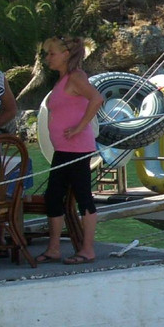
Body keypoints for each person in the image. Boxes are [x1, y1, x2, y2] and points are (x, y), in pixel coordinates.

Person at [36, 36, 104, 266]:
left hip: (77, 149)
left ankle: (87, 249)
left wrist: (80, 126)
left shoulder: (76, 77)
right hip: (63, 149)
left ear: (65, 54)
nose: (48, 58)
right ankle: (54, 248)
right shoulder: (63, 79)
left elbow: (97, 98)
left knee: (83, 197)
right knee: (53, 197)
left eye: (51, 53)